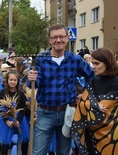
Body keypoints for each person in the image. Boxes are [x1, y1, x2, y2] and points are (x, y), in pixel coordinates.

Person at [27, 23, 95, 155]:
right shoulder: (40, 60)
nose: (58, 40)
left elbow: (91, 77)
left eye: (62, 36)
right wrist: (32, 78)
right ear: (49, 40)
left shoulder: (75, 60)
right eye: (54, 37)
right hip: (45, 113)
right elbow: (32, 84)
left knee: (64, 152)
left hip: (67, 113)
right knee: (38, 152)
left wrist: (85, 95)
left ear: (67, 38)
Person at [71, 47, 118, 155]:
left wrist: (87, 103)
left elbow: (103, 110)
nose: (93, 67)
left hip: (110, 135)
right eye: (92, 63)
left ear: (107, 63)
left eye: (97, 63)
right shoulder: (94, 80)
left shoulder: (116, 83)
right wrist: (92, 104)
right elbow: (88, 103)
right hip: (90, 133)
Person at [0, 71, 29, 155]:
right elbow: (1, 108)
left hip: (19, 120)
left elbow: (23, 109)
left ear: (18, 81)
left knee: (19, 141)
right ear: (7, 80)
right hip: (6, 120)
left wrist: (18, 121)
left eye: (15, 80)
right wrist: (7, 121)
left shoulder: (21, 94)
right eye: (11, 80)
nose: (13, 82)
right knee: (5, 143)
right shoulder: (3, 93)